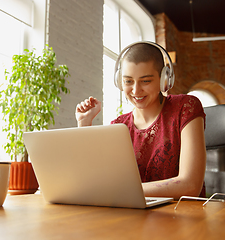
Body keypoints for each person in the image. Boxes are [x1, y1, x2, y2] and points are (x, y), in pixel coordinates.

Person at [75, 42, 206, 200]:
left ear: (164, 79)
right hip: (132, 217)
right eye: (128, 81)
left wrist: (124, 190)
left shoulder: (186, 107)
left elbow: (190, 185)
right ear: (119, 82)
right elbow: (97, 182)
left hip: (181, 217)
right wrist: (84, 124)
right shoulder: (118, 126)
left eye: (146, 81)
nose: (136, 91)